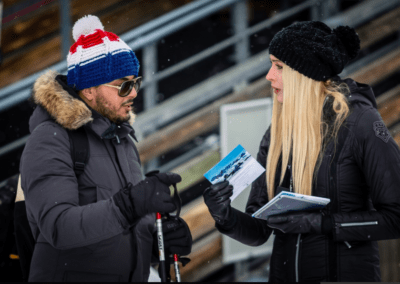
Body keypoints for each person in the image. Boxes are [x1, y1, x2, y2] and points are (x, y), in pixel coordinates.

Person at [203, 21, 400, 282]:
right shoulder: (278, 131)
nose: (269, 76)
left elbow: (395, 218)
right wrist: (224, 215)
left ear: (305, 73)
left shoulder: (360, 122)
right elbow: (260, 230)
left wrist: (321, 224)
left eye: (279, 67)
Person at [19, 15, 192, 282]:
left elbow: (121, 228)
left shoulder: (121, 140)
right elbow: (58, 227)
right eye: (124, 85)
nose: (133, 93)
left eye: (135, 83)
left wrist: (160, 238)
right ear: (89, 90)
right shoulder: (50, 139)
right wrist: (129, 205)